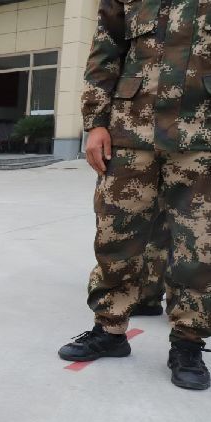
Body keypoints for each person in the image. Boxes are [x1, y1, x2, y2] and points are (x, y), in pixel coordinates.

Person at [58, 0, 210, 390]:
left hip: (201, 136)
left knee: (197, 244)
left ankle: (188, 345)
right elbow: (106, 50)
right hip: (129, 130)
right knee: (116, 235)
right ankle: (109, 330)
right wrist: (95, 123)